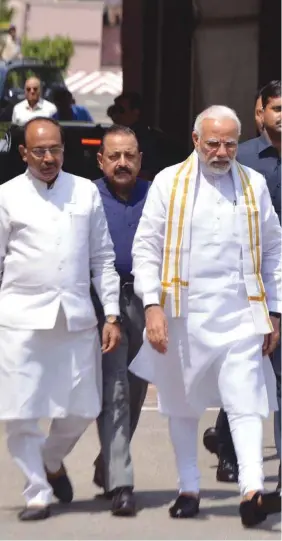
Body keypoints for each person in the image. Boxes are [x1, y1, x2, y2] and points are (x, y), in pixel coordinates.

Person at [129, 105, 281, 527]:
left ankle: (251, 490)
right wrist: (152, 305)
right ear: (195, 140)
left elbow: (273, 248)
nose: (221, 151)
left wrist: (275, 310)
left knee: (247, 402)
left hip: (240, 313)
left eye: (230, 143)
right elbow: (145, 249)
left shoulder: (253, 183)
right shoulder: (167, 183)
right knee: (182, 404)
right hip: (182, 315)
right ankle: (189, 486)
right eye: (213, 143)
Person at [0, 116, 121, 521]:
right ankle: (37, 490)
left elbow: (102, 259)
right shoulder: (7, 196)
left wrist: (112, 313)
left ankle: (52, 460)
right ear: (24, 153)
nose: (49, 158)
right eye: (40, 151)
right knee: (20, 412)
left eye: (55, 149)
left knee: (84, 407)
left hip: (76, 319)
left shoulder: (85, 192)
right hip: (20, 321)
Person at [204, 81, 282, 489]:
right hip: (248, 282)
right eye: (276, 108)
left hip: (278, 279)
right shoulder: (242, 159)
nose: (281, 115)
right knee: (245, 372)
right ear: (260, 113)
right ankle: (229, 451)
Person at [92, 125, 149, 516]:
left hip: (148, 303)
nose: (123, 163)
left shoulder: (156, 194)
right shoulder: (87, 196)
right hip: (103, 304)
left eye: (129, 155)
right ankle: (122, 483)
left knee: (136, 388)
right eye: (115, 156)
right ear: (101, 160)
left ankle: (108, 463)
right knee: (114, 389)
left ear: (140, 159)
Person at [107, 92, 187, 179]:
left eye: (121, 110)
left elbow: (150, 170)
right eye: (114, 110)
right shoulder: (113, 136)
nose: (117, 114)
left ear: (135, 111)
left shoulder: (147, 138)